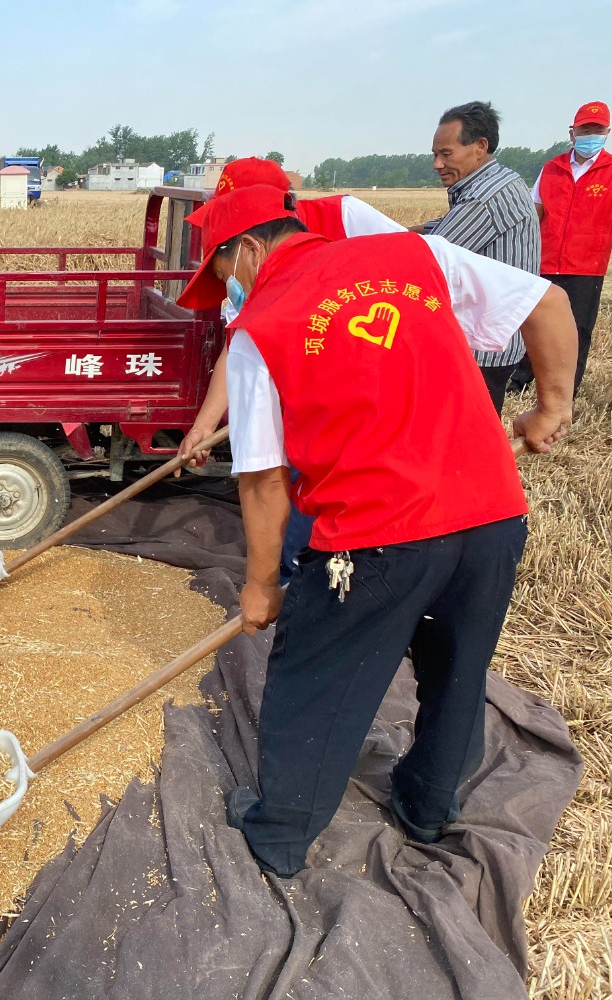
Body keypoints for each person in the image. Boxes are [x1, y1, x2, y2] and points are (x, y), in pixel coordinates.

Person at [175, 185, 576, 878]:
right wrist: (551, 407)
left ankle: (279, 832)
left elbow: (263, 481)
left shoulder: (259, 331)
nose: (228, 294)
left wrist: (261, 586)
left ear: (245, 249)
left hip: (376, 537)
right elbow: (547, 303)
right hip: (490, 516)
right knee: (456, 671)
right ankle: (426, 809)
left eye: (222, 277)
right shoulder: (412, 254)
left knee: (315, 674)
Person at [178, 157, 405, 582]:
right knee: (294, 494)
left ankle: (304, 580)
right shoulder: (243, 265)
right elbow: (240, 344)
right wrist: (204, 425)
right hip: (300, 400)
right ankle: (293, 576)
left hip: (363, 397)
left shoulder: (347, 218)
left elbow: (410, 278)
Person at [411, 101, 541, 413]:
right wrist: (396, 232)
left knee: (465, 436)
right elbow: (441, 228)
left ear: (479, 147)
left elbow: (429, 256)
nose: (437, 165)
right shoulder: (502, 180)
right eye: (435, 154)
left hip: (482, 349)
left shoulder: (484, 197)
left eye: (446, 154)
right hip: (496, 341)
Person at [511, 100, 612, 395]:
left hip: (586, 266)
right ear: (572, 132)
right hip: (545, 258)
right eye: (585, 129)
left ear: (606, 132)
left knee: (577, 330)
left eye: (597, 129)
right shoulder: (552, 168)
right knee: (535, 323)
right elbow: (535, 210)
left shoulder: (609, 171)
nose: (591, 134)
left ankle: (566, 390)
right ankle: (520, 380)